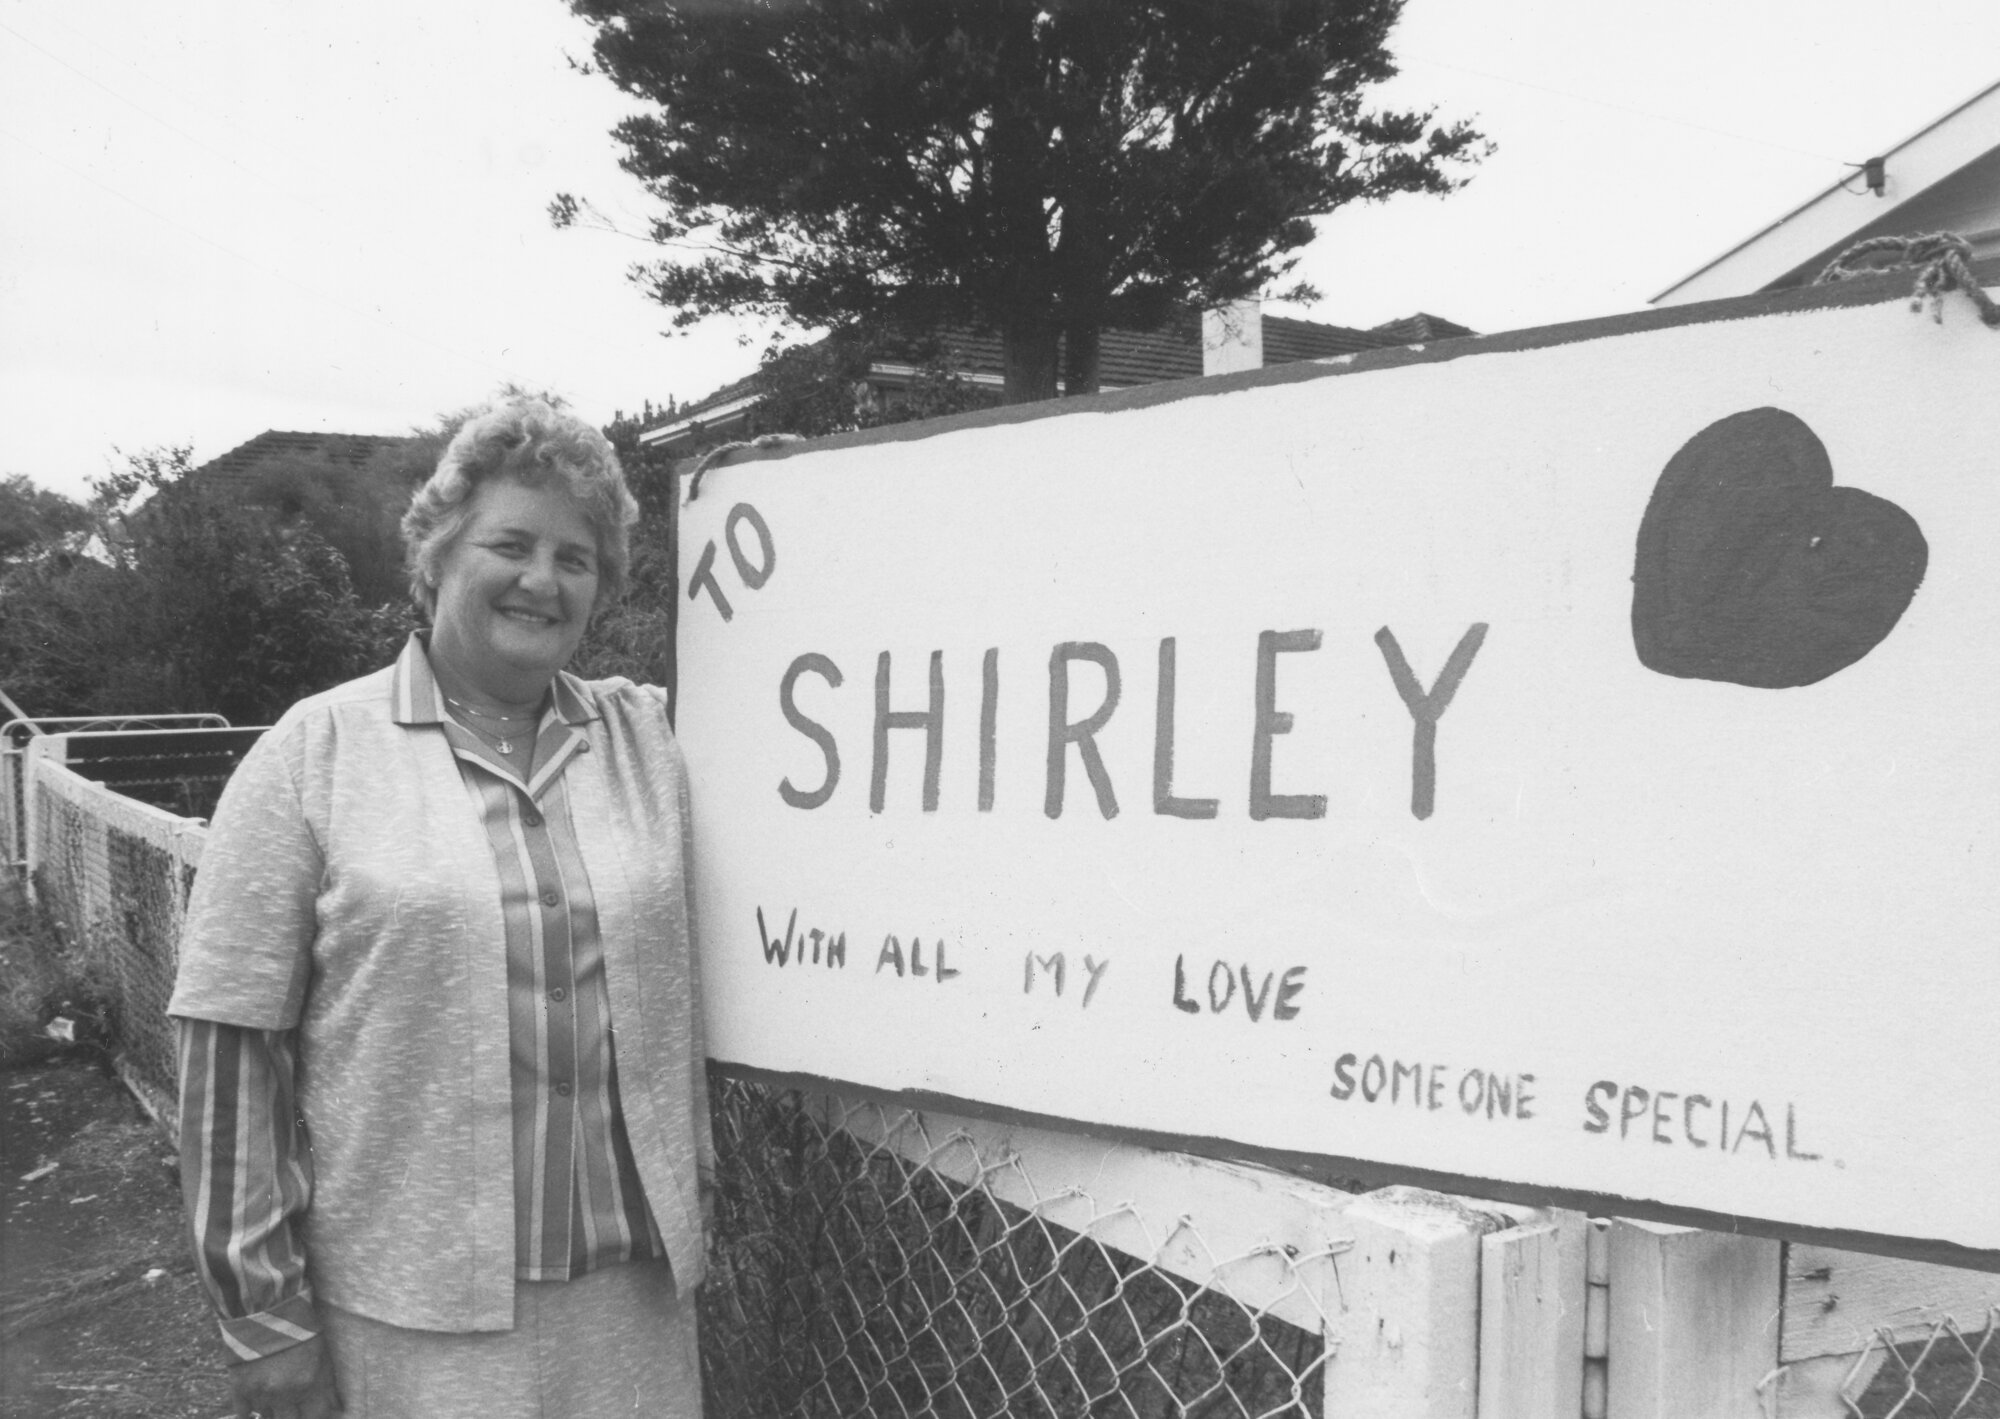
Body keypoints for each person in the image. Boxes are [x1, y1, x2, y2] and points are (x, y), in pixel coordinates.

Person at [168, 396, 708, 1419]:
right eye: (510, 544)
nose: (542, 579)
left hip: (631, 1304)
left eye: (576, 558)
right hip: (410, 1318)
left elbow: (765, 663)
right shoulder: (315, 752)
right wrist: (262, 1312)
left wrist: (781, 507)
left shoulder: (646, 740)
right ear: (438, 552)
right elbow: (229, 1038)